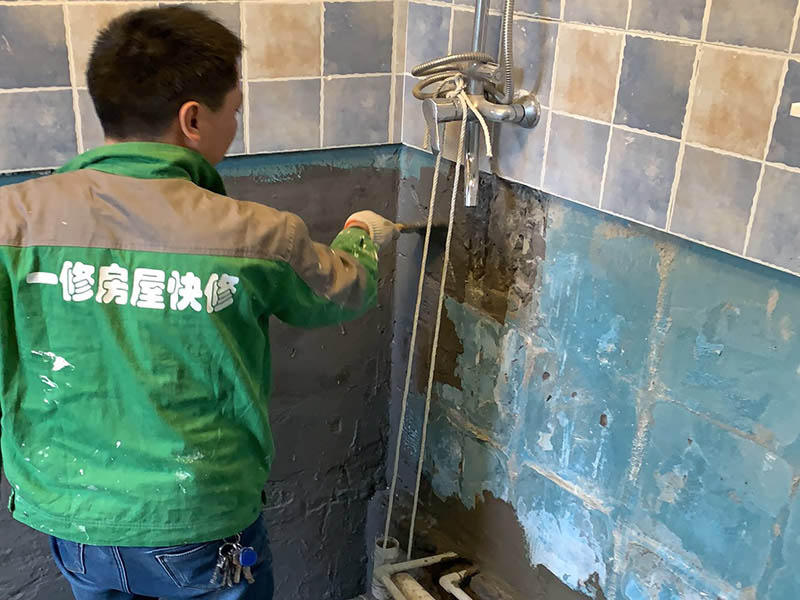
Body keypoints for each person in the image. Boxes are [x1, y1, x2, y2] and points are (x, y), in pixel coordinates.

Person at [0, 6, 395, 599]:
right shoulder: (256, 234)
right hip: (199, 521)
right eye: (233, 111)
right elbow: (342, 293)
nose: (234, 125)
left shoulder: (12, 220)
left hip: (73, 519)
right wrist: (362, 235)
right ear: (192, 119)